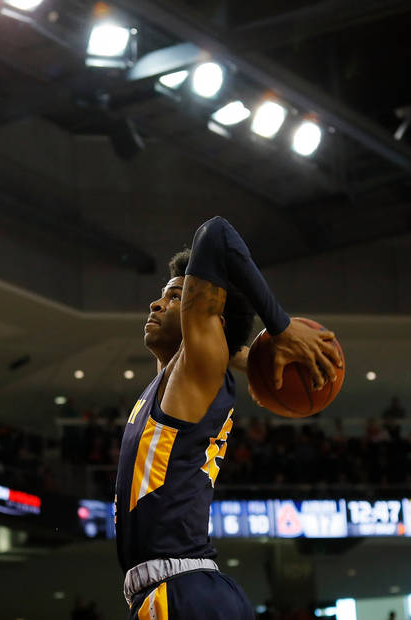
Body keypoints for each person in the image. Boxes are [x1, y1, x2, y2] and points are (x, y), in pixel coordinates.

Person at [114, 217, 341, 619]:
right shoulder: (175, 378)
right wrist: (254, 356)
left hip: (183, 593)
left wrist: (281, 327)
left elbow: (216, 233)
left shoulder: (197, 369)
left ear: (206, 323)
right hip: (178, 592)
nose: (157, 304)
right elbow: (226, 344)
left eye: (175, 297)